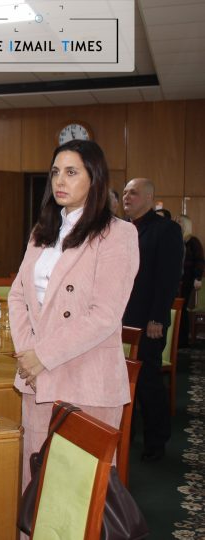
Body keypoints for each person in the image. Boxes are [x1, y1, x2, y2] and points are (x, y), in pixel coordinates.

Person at [8, 140, 139, 490]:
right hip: (38, 378)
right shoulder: (42, 232)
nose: (60, 181)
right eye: (55, 172)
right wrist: (28, 354)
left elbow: (105, 314)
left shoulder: (118, 234)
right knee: (37, 486)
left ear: (94, 178)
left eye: (71, 172)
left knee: (78, 494)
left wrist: (43, 355)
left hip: (87, 378)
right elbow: (18, 295)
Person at [122, 177, 184, 461]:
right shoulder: (122, 229)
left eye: (133, 193)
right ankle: (128, 434)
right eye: (125, 192)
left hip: (148, 321)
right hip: (120, 319)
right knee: (123, 382)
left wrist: (158, 318)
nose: (127, 197)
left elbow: (168, 278)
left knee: (147, 382)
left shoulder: (166, 230)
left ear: (149, 198)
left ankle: (156, 442)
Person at [177, 214, 204, 347]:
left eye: (180, 221)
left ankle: (182, 340)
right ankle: (177, 339)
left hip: (188, 280)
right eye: (176, 221)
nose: (177, 223)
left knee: (182, 310)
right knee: (177, 309)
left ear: (186, 224)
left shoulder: (193, 241)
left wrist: (198, 278)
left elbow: (199, 261)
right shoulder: (176, 239)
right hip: (177, 280)